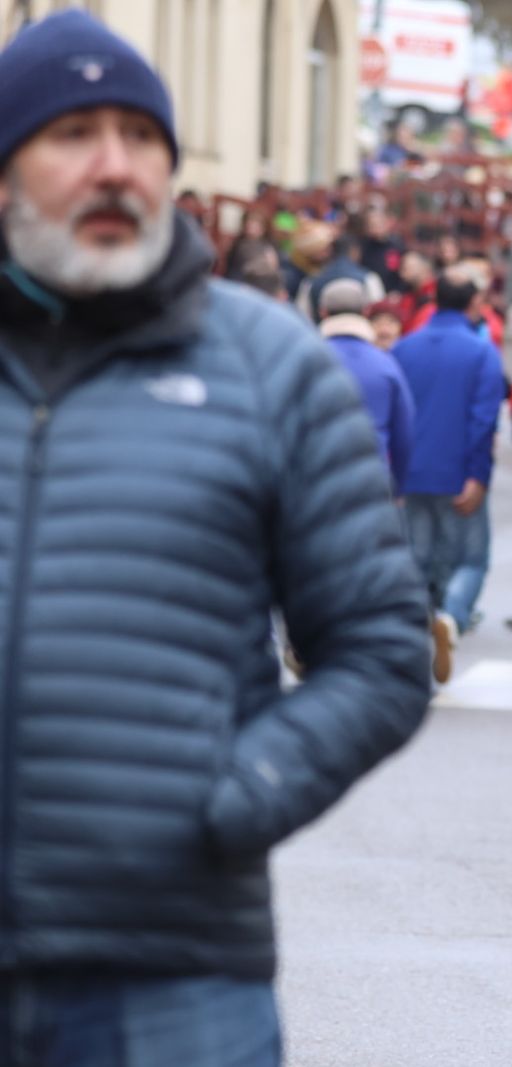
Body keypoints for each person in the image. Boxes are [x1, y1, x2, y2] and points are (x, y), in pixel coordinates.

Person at [0, 10, 430, 1058]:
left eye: (140, 137)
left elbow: (381, 649)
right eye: (73, 134)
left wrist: (229, 800)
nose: (115, 166)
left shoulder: (271, 366)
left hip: (175, 977)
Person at [391, 267, 505, 669]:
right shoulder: (481, 350)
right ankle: (451, 616)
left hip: (413, 471)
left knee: (418, 556)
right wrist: (479, 474)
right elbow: (483, 419)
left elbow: (396, 416)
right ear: (474, 303)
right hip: (458, 469)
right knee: (471, 558)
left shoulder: (405, 348)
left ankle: (413, 628)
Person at [319, 279, 415, 493]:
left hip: (318, 481)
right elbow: (404, 434)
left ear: (323, 312)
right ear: (365, 312)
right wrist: (398, 485)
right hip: (372, 481)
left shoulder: (304, 360)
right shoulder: (386, 364)